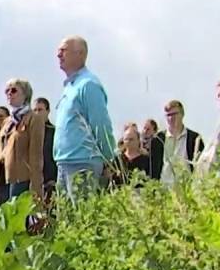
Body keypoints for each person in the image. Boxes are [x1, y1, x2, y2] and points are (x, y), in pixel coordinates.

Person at [52, 36, 115, 202]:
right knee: (66, 221)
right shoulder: (70, 86)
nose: (58, 55)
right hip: (64, 162)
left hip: (83, 163)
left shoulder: (88, 85)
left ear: (80, 53)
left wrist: (109, 159)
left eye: (63, 50)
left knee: (82, 218)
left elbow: (100, 124)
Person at [0, 78, 47, 201]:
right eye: (6, 91)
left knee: (18, 218)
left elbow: (36, 155)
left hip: (21, 180)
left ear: (25, 95)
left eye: (13, 90)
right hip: (3, 180)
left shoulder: (34, 119)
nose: (9, 94)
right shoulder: (7, 122)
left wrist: (36, 186)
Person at [159, 99, 205, 188]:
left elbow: (201, 165)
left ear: (182, 114)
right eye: (168, 115)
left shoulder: (194, 138)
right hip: (164, 189)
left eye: (174, 114)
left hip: (187, 189)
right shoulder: (158, 139)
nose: (171, 118)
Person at [111, 123, 151, 187]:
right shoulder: (118, 160)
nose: (129, 142)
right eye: (126, 139)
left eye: (131, 139)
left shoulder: (145, 160)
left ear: (138, 140)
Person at [35, 97, 58, 200]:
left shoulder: (54, 132)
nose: (37, 113)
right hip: (33, 182)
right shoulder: (28, 133)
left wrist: (53, 178)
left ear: (48, 111)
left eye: (40, 110)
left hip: (50, 181)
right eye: (34, 110)